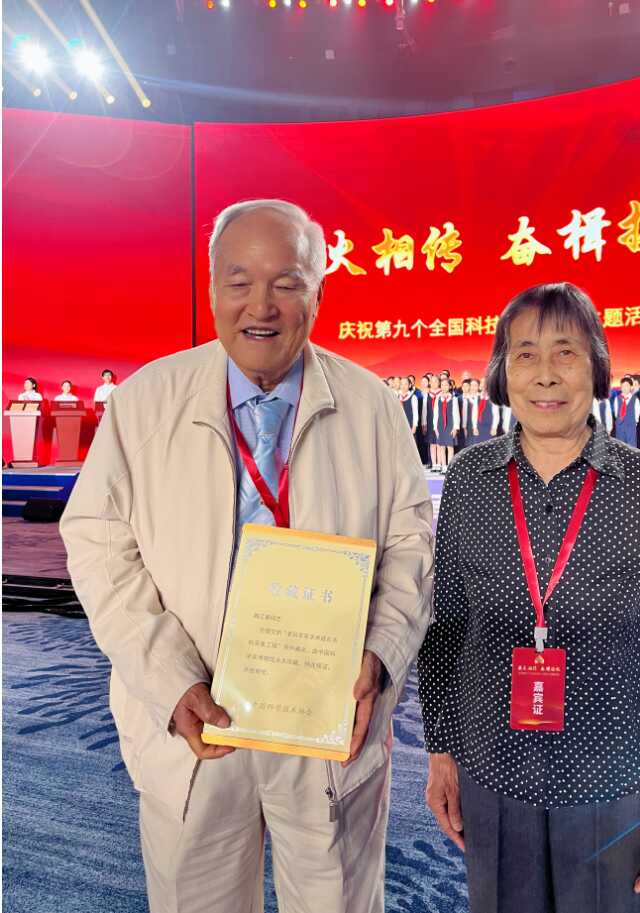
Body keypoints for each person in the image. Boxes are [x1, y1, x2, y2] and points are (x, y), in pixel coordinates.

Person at [60, 199, 434, 913]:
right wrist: (168, 678)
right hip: (198, 721)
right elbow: (98, 543)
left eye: (287, 283)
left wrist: (381, 653)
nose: (261, 306)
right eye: (239, 282)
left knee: (336, 898)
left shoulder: (372, 407)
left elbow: (412, 546)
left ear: (318, 293)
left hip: (327, 714)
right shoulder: (145, 403)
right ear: (210, 289)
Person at [417, 282, 640, 913]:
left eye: (566, 352)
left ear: (596, 366)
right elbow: (447, 628)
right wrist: (440, 751)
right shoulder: (470, 479)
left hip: (612, 773)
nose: (545, 374)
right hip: (492, 765)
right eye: (524, 354)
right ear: (502, 372)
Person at [433, 377, 460, 473]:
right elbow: (436, 413)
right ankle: (443, 466)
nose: (444, 387)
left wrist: (456, 427)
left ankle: (449, 467)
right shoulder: (438, 398)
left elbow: (456, 414)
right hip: (440, 425)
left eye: (446, 385)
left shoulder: (454, 399)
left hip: (450, 424)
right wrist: (435, 427)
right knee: (441, 446)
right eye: (442, 385)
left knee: (450, 447)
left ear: (450, 386)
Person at [470, 378, 500, 443]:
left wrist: (494, 427)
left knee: (490, 445)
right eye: (482, 383)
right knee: (478, 446)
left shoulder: (493, 397)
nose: (483, 385)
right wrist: (474, 427)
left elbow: (496, 414)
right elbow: (474, 414)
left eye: (485, 383)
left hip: (490, 427)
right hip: (479, 426)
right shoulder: (477, 397)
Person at [613, 376, 640, 447]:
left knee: (631, 446)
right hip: (619, 426)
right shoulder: (617, 398)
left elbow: (637, 414)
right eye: (623, 386)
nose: (624, 388)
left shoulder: (635, 399)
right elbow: (616, 413)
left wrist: (633, 423)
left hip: (631, 426)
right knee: (620, 446)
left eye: (627, 386)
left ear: (631, 387)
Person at [422, 374, 441, 471]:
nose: (434, 383)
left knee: (439, 443)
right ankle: (434, 464)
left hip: (440, 421)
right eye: (432, 381)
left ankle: (439, 464)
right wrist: (424, 423)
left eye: (436, 381)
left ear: (439, 383)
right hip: (429, 420)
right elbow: (424, 410)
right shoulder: (427, 394)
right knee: (432, 443)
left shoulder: (441, 394)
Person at [398, 375, 419, 440]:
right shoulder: (397, 397)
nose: (403, 386)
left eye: (405, 384)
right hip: (399, 425)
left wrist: (414, 426)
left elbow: (415, 413)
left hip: (409, 424)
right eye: (401, 384)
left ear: (410, 385)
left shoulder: (413, 397)